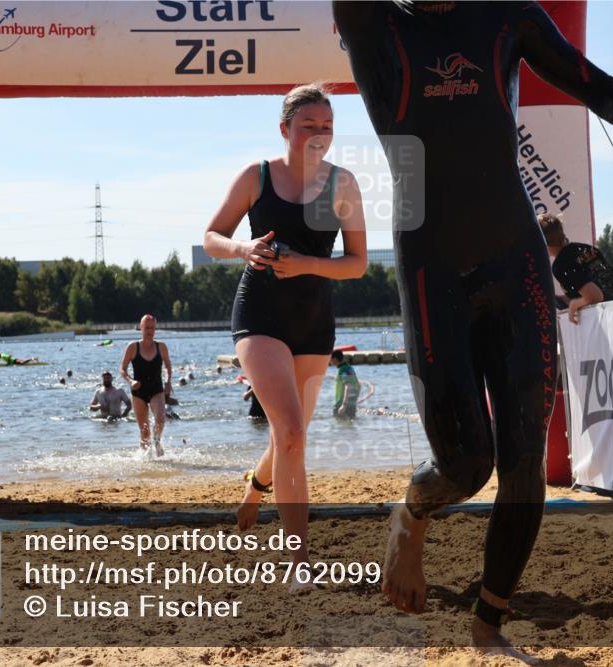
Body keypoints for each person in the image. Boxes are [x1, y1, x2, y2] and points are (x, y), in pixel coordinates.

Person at [333, 0, 613, 651]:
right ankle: (414, 509)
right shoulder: (373, 20)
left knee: (523, 460)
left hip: (515, 259)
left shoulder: (504, 15)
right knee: (466, 463)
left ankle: (489, 625)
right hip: (432, 271)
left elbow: (586, 78)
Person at [203, 83, 367, 587]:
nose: (319, 134)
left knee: (288, 437)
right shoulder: (257, 177)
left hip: (314, 319)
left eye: (327, 127)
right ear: (285, 130)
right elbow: (211, 237)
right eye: (308, 125)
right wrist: (243, 248)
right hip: (260, 314)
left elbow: (357, 265)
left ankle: (255, 488)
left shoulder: (343, 184)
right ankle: (299, 564)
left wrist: (308, 264)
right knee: (292, 432)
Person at [538, 212, 613, 324]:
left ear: (542, 242)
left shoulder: (561, 265)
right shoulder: (587, 249)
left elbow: (595, 296)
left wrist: (573, 305)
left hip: (608, 321)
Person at [119, 314, 173, 456]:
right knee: (144, 431)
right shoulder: (132, 346)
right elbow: (122, 369)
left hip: (156, 389)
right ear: (141, 328)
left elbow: (168, 366)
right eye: (147, 328)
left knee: (160, 419)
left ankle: (157, 441)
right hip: (138, 391)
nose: (149, 331)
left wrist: (168, 381)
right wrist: (131, 381)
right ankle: (145, 460)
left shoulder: (161, 346)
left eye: (152, 328)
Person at [330, 349, 360, 419]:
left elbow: (348, 386)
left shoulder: (342, 370)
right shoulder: (349, 368)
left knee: (339, 425)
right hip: (352, 404)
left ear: (335, 359)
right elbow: (358, 385)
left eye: (330, 359)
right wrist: (355, 400)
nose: (330, 361)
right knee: (350, 426)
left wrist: (344, 405)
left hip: (342, 404)